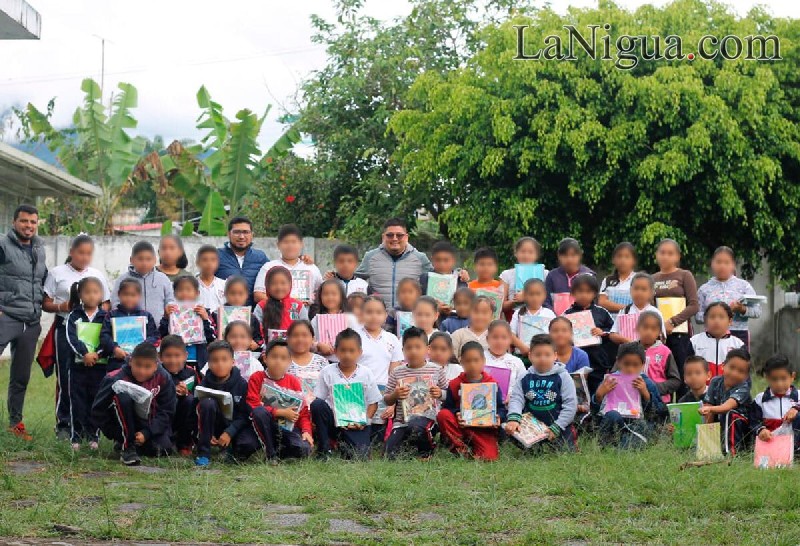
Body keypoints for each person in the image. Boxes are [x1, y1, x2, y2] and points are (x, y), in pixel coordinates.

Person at [43, 234, 111, 439]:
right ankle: (64, 424)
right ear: (71, 252)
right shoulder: (57, 273)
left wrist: (97, 315)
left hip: (94, 330)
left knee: (91, 379)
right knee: (67, 376)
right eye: (80, 252)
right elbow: (45, 303)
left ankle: (89, 426)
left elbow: (106, 303)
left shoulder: (97, 275)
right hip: (67, 328)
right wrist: (61, 307)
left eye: (88, 253)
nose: (84, 257)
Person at [0, 204, 47, 440]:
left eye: (33, 222)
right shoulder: (3, 245)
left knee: (21, 376)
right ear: (14, 222)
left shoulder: (39, 247)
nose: (29, 226)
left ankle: (15, 424)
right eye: (24, 221)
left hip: (31, 321)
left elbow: (41, 280)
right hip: (6, 316)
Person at [91, 343, 176, 466]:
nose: (142, 371)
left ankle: (132, 444)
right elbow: (98, 410)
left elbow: (167, 411)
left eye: (147, 367)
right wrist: (114, 433)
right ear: (130, 361)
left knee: (162, 449)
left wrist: (147, 433)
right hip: (121, 424)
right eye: (138, 365)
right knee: (123, 396)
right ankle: (127, 446)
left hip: (148, 425)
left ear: (156, 366)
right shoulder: (115, 378)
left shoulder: (164, 378)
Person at [311, 328, 383, 459]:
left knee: (359, 456)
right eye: (343, 350)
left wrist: (364, 421)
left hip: (357, 424)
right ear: (336, 351)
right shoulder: (327, 372)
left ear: (360, 352)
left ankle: (342, 443)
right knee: (317, 404)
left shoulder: (366, 373)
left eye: (352, 351)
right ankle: (324, 449)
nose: (347, 355)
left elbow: (374, 403)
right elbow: (319, 399)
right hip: (334, 422)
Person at [383, 327, 449, 459]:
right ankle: (411, 445)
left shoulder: (436, 370)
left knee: (418, 427)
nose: (413, 351)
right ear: (403, 351)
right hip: (402, 421)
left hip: (428, 418)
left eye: (418, 347)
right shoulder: (397, 372)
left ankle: (427, 450)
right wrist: (395, 395)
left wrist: (440, 393)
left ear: (427, 349)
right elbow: (387, 399)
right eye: (408, 347)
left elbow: (449, 395)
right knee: (389, 455)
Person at [505, 334, 578, 451]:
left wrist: (558, 426)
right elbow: (516, 398)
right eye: (538, 355)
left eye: (547, 355)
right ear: (530, 356)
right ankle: (534, 447)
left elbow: (570, 405)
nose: (542, 358)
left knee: (565, 451)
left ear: (555, 356)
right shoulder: (525, 376)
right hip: (532, 425)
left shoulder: (563, 376)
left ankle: (557, 440)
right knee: (513, 431)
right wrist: (514, 418)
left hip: (558, 424)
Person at [437, 341, 506, 461]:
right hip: (462, 427)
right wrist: (457, 413)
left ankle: (477, 447)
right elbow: (448, 407)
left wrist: (498, 417)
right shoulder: (455, 384)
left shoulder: (492, 384)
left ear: (483, 361)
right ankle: (460, 449)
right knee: (443, 415)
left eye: (476, 360)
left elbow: (501, 408)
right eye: (468, 361)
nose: (472, 365)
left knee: (489, 457)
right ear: (461, 362)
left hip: (483, 429)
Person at [194, 340, 260, 467]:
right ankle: (204, 453)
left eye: (224, 359)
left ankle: (231, 450)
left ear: (233, 362)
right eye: (215, 360)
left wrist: (230, 432)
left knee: (249, 444)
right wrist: (208, 432)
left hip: (235, 427)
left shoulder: (242, 384)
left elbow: (245, 415)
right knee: (207, 403)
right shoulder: (204, 384)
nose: (220, 364)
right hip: (214, 426)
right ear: (209, 364)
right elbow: (197, 411)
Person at [248, 339, 313, 462]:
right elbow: (253, 404)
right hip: (265, 425)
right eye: (274, 357)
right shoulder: (257, 378)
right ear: (265, 358)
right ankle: (270, 454)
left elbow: (303, 412)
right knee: (259, 412)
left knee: (304, 449)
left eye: (283, 358)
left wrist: (306, 431)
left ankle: (280, 451)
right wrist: (279, 412)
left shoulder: (293, 381)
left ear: (289, 362)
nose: (278, 361)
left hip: (287, 427)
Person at [592, 343, 668, 449]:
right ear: (618, 361)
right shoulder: (610, 381)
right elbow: (595, 413)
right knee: (612, 415)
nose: (630, 369)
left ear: (643, 364)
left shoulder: (646, 383)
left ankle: (620, 448)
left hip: (637, 426)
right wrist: (599, 395)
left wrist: (645, 394)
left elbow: (659, 413)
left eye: (635, 365)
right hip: (614, 423)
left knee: (641, 432)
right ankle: (605, 445)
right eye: (626, 364)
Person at [64, 276, 108, 450]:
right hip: (77, 367)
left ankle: (93, 436)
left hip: (99, 366)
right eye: (87, 292)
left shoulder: (105, 316)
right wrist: (84, 354)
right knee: (77, 400)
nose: (91, 296)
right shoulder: (74, 315)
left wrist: (96, 354)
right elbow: (70, 338)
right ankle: (76, 436)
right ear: (80, 294)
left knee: (95, 400)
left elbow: (108, 338)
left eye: (95, 292)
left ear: (101, 295)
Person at [653, 238, 699, 393]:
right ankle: (662, 413)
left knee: (682, 375)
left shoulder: (685, 275)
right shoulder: (652, 279)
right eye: (662, 252)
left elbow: (694, 305)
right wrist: (659, 327)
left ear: (677, 257)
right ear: (656, 255)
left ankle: (682, 413)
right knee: (661, 375)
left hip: (680, 335)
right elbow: (649, 307)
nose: (666, 256)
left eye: (670, 253)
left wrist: (672, 322)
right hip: (659, 336)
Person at [355, 218, 432, 308]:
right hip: (378, 317)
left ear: (406, 237)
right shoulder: (370, 257)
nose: (395, 239)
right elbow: (354, 281)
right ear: (383, 237)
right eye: (390, 235)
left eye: (399, 235)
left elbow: (435, 282)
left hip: (410, 317)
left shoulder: (420, 258)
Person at [696, 246, 761, 349]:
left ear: (733, 265)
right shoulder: (704, 289)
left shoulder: (744, 286)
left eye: (726, 263)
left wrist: (742, 309)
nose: (722, 266)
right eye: (718, 262)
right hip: (712, 335)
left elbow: (757, 311)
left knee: (738, 364)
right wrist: (714, 315)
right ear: (712, 263)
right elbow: (698, 317)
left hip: (738, 333)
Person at [357, 297, 403, 435]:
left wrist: (392, 402)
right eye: (369, 312)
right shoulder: (355, 337)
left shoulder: (392, 339)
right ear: (362, 314)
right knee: (360, 427)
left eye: (378, 312)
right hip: (359, 388)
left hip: (383, 391)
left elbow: (394, 373)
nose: (373, 316)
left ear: (385, 315)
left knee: (378, 433)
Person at [563, 274, 615, 393]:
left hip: (597, 360)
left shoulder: (602, 312)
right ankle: (580, 408)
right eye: (580, 291)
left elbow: (613, 331)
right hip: (576, 358)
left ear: (595, 293)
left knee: (597, 386)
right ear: (573, 293)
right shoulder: (566, 314)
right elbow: (560, 331)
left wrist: (603, 332)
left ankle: (597, 409)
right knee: (577, 386)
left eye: (588, 291)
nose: (584, 295)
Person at [700, 348, 752, 456]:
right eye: (732, 367)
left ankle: (733, 453)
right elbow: (708, 404)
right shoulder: (715, 381)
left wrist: (709, 409)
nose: (734, 373)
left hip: (742, 428)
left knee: (730, 414)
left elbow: (727, 407)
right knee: (707, 415)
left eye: (741, 371)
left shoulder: (743, 387)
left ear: (746, 376)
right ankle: (710, 448)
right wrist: (708, 430)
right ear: (723, 366)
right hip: (722, 422)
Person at [253, 224, 322, 304]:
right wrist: (284, 305)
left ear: (301, 244)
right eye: (286, 242)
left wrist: (310, 300)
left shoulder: (311, 268)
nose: (290, 246)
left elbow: (321, 293)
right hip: (276, 314)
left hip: (305, 315)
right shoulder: (269, 267)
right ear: (278, 245)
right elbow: (258, 295)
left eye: (294, 242)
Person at [100, 279, 159, 370]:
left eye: (133, 295)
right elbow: (104, 335)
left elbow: (154, 335)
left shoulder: (146, 316)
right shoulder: (111, 315)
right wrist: (114, 348)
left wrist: (143, 347)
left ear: (139, 296)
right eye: (126, 294)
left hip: (140, 361)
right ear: (119, 295)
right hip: (117, 361)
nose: (129, 298)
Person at [159, 276, 216, 370]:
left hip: (198, 359)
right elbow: (162, 335)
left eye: (188, 290)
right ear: (174, 293)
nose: (184, 293)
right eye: (180, 290)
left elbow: (212, 338)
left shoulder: (203, 312)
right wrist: (166, 318)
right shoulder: (171, 312)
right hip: (174, 360)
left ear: (197, 293)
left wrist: (205, 319)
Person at [111, 241, 174, 323]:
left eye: (148, 259)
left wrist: (168, 309)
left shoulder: (163, 279)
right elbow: (116, 303)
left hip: (159, 330)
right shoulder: (122, 279)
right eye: (140, 259)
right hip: (131, 329)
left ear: (155, 260)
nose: (144, 263)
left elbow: (170, 300)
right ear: (131, 260)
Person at [158, 335, 201, 457]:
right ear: (160, 357)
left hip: (184, 416)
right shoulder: (157, 373)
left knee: (190, 400)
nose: (173, 360)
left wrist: (186, 393)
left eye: (177, 356)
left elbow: (199, 395)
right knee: (163, 450)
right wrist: (170, 391)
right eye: (168, 356)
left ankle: (185, 443)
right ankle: (168, 439)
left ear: (185, 356)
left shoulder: (191, 373)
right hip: (163, 416)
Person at [752, 354, 800, 452]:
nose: (779, 384)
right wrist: (761, 430)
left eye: (783, 378)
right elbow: (753, 421)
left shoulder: (799, 396)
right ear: (767, 378)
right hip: (771, 445)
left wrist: (796, 409)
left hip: (795, 443)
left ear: (792, 377)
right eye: (774, 379)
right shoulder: (760, 400)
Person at [215, 217, 268, 304]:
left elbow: (276, 273)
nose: (241, 236)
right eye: (237, 232)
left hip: (254, 313)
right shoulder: (216, 255)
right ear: (229, 234)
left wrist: (298, 259)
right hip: (224, 313)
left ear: (252, 235)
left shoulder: (260, 257)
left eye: (246, 232)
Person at [631, 311, 680, 403]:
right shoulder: (629, 349)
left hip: (658, 400)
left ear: (659, 332)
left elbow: (675, 381)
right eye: (645, 327)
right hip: (633, 400)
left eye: (653, 329)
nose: (649, 332)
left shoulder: (665, 352)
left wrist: (653, 388)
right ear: (637, 328)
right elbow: (616, 373)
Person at [690, 302, 744, 379]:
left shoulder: (738, 345)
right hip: (701, 389)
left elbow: (743, 372)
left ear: (730, 321)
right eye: (712, 317)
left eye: (721, 317)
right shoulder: (694, 342)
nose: (716, 321)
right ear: (705, 320)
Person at [608, 272, 666, 344]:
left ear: (651, 293)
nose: (639, 292)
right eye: (636, 288)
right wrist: (624, 339)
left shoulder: (655, 313)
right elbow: (613, 334)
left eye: (643, 289)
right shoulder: (625, 311)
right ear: (630, 290)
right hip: (628, 352)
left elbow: (662, 337)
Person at [309, 279, 359, 362]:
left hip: (345, 362)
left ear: (341, 296)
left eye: (334, 294)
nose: (330, 297)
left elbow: (357, 340)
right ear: (320, 297)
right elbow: (310, 341)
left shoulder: (350, 319)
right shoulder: (316, 320)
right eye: (325, 294)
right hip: (322, 362)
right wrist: (318, 345)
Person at [418, 241, 469, 319]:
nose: (442, 264)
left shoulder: (460, 280)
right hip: (429, 321)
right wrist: (434, 307)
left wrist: (453, 309)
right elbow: (418, 302)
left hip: (454, 320)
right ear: (432, 260)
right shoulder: (424, 279)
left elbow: (466, 305)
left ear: (453, 260)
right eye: (438, 260)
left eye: (446, 260)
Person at [211, 276, 263, 351]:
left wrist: (256, 343)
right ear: (225, 294)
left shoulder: (251, 317)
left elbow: (259, 337)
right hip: (222, 354)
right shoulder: (216, 314)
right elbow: (211, 334)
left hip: (244, 356)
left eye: (240, 294)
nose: (236, 297)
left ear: (247, 295)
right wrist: (215, 341)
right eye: (232, 293)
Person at [256, 266, 309, 339]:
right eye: (274, 283)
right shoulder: (261, 306)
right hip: (268, 348)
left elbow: (306, 329)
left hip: (294, 348)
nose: (279, 287)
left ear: (290, 284)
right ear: (267, 285)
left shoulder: (298, 306)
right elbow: (256, 329)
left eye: (283, 283)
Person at [500, 237, 549, 312]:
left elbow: (550, 301)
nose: (526, 256)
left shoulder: (545, 274)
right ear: (516, 253)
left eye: (530, 252)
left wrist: (529, 296)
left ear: (537, 255)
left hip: (540, 320)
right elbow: (500, 306)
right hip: (513, 319)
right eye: (522, 252)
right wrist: (515, 301)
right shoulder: (506, 275)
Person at [286, 320, 329, 404]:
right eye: (295, 335)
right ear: (288, 339)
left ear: (313, 339)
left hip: (316, 410)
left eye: (305, 335)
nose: (300, 339)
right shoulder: (282, 361)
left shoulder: (321, 361)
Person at [545, 238, 594, 310]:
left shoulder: (589, 276)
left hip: (582, 319)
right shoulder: (552, 276)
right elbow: (546, 301)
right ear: (558, 256)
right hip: (557, 319)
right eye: (565, 255)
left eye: (573, 255)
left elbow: (593, 302)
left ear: (580, 255)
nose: (569, 259)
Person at [483, 320, 526, 403]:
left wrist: (513, 397)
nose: (499, 342)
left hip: (510, 405)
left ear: (510, 340)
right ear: (487, 339)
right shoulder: (479, 358)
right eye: (495, 337)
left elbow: (523, 385)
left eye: (504, 337)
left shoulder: (517, 362)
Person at [509, 278, 556, 354]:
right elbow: (511, 333)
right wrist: (523, 348)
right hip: (522, 353)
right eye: (531, 294)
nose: (535, 298)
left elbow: (554, 334)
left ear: (544, 295)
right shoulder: (518, 313)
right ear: (524, 296)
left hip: (544, 355)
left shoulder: (549, 314)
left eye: (538, 294)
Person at [598, 242, 637, 316]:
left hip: (632, 322)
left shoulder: (638, 280)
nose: (623, 260)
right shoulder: (608, 280)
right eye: (619, 256)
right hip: (610, 323)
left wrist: (611, 305)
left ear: (633, 261)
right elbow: (602, 302)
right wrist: (626, 308)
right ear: (613, 260)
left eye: (627, 257)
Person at [195, 244, 226, 311]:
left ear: (218, 263)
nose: (209, 263)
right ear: (197, 262)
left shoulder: (224, 285)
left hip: (218, 320)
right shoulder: (192, 285)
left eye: (213, 260)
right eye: (205, 260)